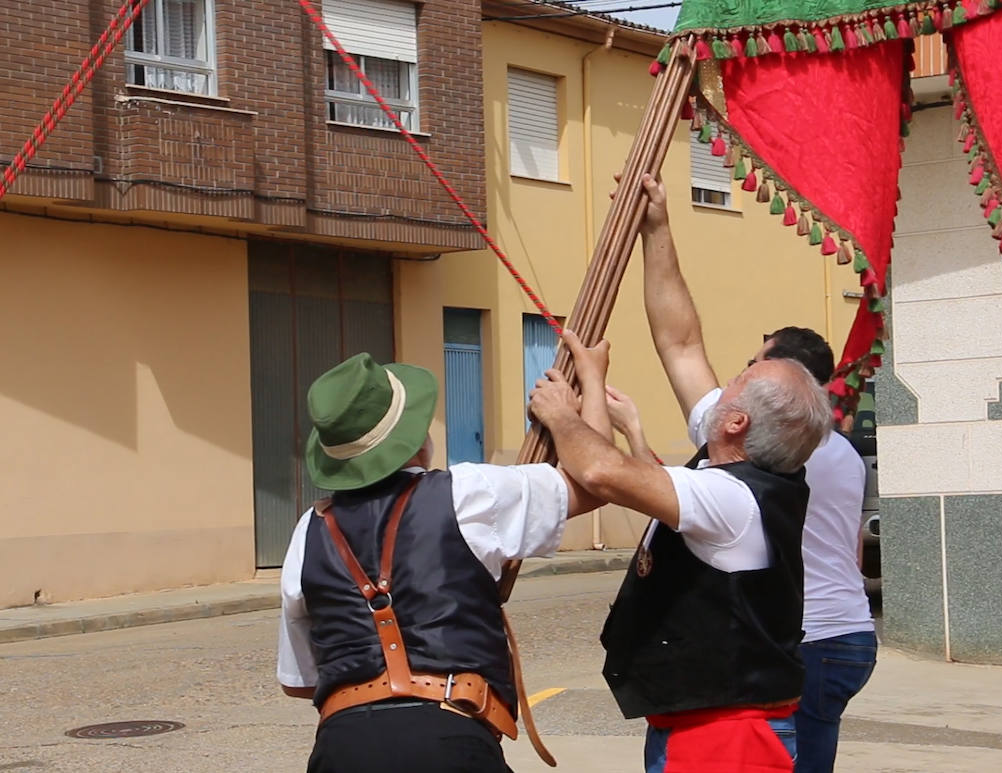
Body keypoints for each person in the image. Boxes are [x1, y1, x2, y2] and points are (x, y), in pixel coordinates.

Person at [529, 172, 832, 772]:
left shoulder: (734, 500)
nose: (727, 378)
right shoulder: (731, 460)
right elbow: (681, 342)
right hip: (702, 722)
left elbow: (600, 471)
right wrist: (657, 228)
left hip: (727, 737)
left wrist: (565, 412)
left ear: (737, 421)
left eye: (742, 377)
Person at [276, 346, 607, 773]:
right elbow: (599, 478)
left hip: (341, 747)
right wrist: (587, 387)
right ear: (416, 437)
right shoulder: (470, 492)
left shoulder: (309, 528)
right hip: (448, 740)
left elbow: (298, 682)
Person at [743, 328, 875, 773]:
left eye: (756, 364)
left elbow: (682, 351)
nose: (747, 373)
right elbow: (851, 548)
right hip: (850, 630)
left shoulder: (790, 444)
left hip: (813, 638)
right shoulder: (843, 451)